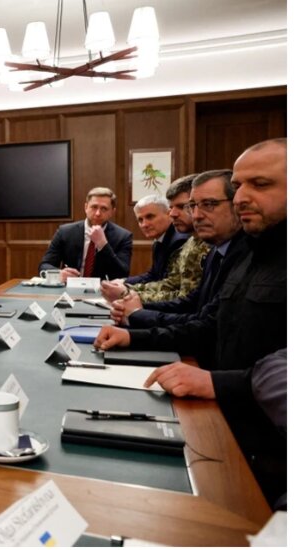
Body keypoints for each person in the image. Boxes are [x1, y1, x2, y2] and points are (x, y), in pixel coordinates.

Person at [95, 138, 287, 505]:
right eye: (239, 186)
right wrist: (134, 336)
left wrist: (215, 382)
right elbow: (209, 323)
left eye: (260, 184)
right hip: (227, 424)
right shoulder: (249, 253)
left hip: (268, 451)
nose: (243, 197)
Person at [110, 170, 246, 332]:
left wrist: (134, 303)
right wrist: (135, 306)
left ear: (237, 204)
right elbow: (188, 297)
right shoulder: (206, 246)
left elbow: (203, 319)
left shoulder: (221, 248)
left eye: (208, 204)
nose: (173, 214)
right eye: (192, 206)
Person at [101, 174, 209, 304]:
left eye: (182, 206)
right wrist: (127, 287)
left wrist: (127, 294)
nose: (144, 224)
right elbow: (168, 282)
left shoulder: (181, 241)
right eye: (140, 220)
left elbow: (184, 300)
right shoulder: (189, 241)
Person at [39, 187, 132, 281]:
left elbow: (122, 273)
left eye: (104, 209)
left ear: (112, 212)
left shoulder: (123, 236)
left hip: (102, 288)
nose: (98, 213)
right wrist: (58, 274)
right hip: (69, 287)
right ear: (86, 207)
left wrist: (103, 245)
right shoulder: (65, 232)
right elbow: (44, 265)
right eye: (94, 207)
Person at [123, 194, 188, 285]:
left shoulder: (179, 241)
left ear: (169, 214)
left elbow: (169, 285)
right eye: (140, 220)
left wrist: (127, 289)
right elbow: (153, 275)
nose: (144, 225)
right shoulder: (159, 240)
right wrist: (123, 282)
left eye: (150, 217)